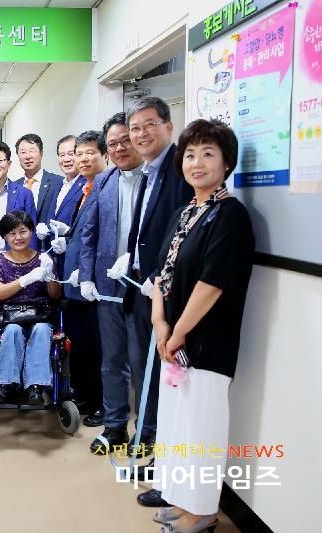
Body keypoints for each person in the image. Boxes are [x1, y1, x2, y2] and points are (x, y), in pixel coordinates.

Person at [146, 119, 254, 533]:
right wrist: (159, 322)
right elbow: (162, 274)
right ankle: (181, 498)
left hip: (206, 342)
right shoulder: (185, 212)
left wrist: (178, 333)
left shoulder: (231, 215)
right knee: (178, 426)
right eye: (190, 154)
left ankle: (203, 510)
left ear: (226, 163)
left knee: (201, 429)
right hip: (172, 339)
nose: (197, 162)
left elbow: (212, 284)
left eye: (208, 154)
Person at [123, 97, 194, 484]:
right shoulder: (149, 171)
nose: (141, 134)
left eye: (149, 124)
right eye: (135, 128)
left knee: (167, 378)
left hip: (167, 293)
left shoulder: (180, 168)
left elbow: (179, 234)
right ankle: (151, 442)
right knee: (145, 373)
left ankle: (164, 457)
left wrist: (158, 276)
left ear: (168, 126)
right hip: (143, 290)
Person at [76, 113, 146, 453]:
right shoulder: (104, 181)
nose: (120, 148)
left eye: (125, 141)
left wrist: (139, 260)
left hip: (143, 286)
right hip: (107, 285)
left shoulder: (156, 178)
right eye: (113, 143)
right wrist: (86, 275)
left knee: (141, 360)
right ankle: (115, 426)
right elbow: (89, 233)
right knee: (112, 360)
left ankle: (146, 431)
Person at [55, 130, 108, 422]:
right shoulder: (86, 188)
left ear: (104, 155)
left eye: (90, 153)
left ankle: (103, 403)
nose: (83, 159)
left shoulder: (106, 187)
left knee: (98, 347)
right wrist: (67, 239)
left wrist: (88, 272)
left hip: (93, 285)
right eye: (79, 153)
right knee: (81, 344)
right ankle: (86, 395)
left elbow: (105, 237)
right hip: (74, 284)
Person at [0, 211, 61, 404]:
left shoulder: (43, 259)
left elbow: (55, 295)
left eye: (23, 231)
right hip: (10, 317)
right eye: (12, 233)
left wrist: (49, 275)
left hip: (40, 315)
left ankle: (36, 387)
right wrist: (25, 280)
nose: (18, 237)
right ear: (4, 236)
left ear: (31, 232)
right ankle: (5, 385)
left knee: (41, 330)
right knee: (12, 331)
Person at [0, 141, 37, 281]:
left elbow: (32, 231)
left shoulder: (24, 194)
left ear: (9, 164)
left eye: (0, 160)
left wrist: (31, 264)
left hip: (16, 260)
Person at [14, 133, 63, 223]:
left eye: (32, 151)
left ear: (41, 153)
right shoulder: (13, 187)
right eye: (23, 152)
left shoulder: (59, 183)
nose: (28, 156)